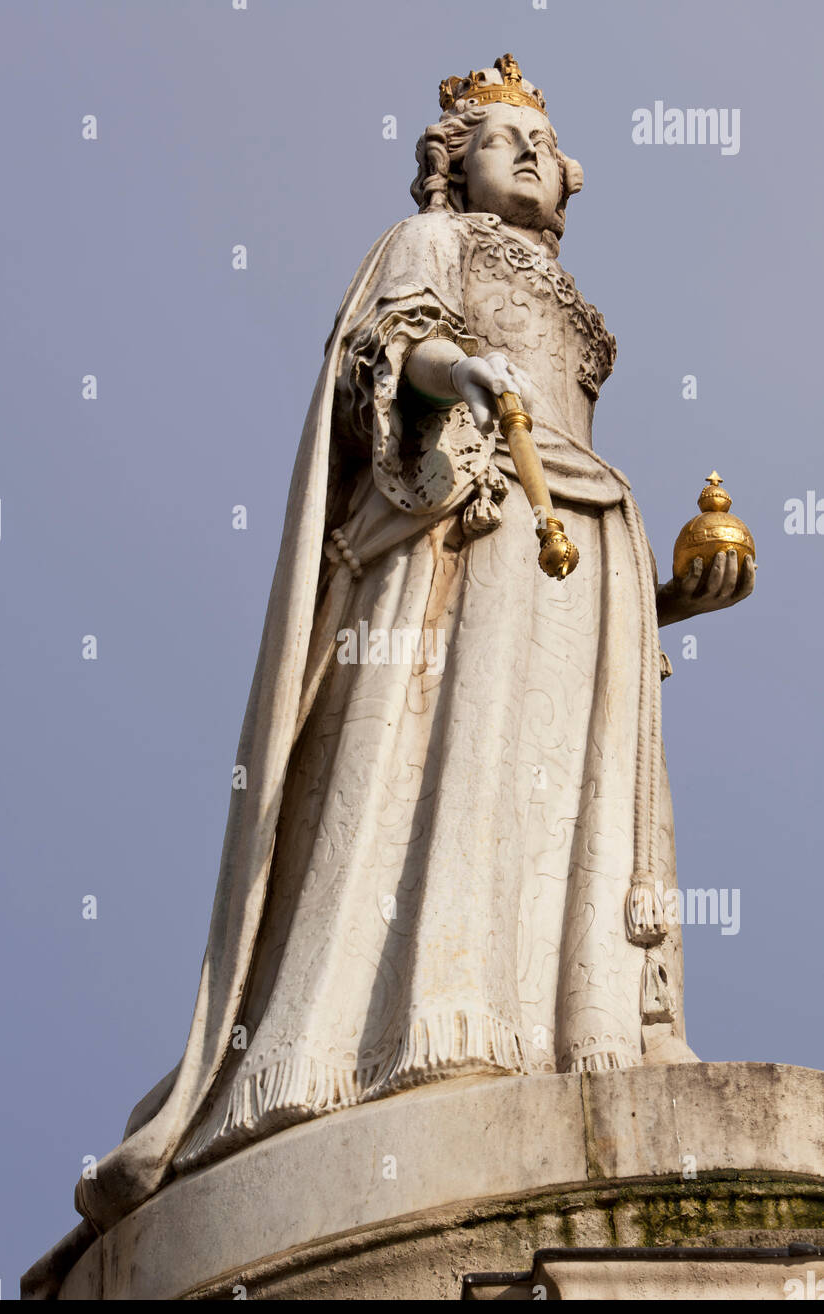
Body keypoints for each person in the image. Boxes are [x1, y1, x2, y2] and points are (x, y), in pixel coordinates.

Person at [77, 55, 754, 1232]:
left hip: (577, 545)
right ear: (453, 170)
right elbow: (383, 355)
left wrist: (671, 596)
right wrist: (466, 370)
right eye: (500, 141)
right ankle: (429, 1031)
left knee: (572, 807)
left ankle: (584, 1025)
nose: (530, 154)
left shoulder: (566, 296)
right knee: (456, 771)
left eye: (541, 143)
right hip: (466, 523)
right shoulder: (428, 241)